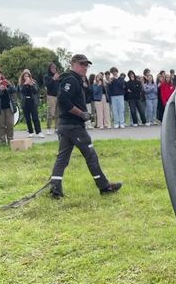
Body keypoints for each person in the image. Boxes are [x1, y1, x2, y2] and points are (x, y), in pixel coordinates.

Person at [49, 54, 122, 199]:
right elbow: (63, 101)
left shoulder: (76, 80)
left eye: (86, 65)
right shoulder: (70, 80)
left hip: (66, 126)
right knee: (91, 156)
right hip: (73, 125)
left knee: (62, 158)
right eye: (82, 64)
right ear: (73, 64)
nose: (85, 67)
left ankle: (55, 189)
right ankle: (104, 187)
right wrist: (81, 114)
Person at [18, 69, 44, 138]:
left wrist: (31, 85)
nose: (26, 77)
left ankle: (39, 132)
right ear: (23, 76)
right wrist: (25, 84)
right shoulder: (21, 83)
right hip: (25, 102)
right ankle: (30, 132)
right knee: (27, 118)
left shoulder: (34, 82)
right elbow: (21, 92)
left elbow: (36, 91)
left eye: (28, 76)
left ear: (30, 76)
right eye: (25, 76)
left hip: (32, 101)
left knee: (35, 117)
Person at [43, 62, 60, 135]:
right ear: (49, 69)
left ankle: (57, 128)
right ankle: (48, 128)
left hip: (58, 96)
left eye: (55, 68)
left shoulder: (58, 77)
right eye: (52, 68)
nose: (54, 69)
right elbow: (47, 85)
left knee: (58, 113)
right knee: (50, 113)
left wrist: (58, 79)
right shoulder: (47, 76)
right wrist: (53, 79)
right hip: (51, 96)